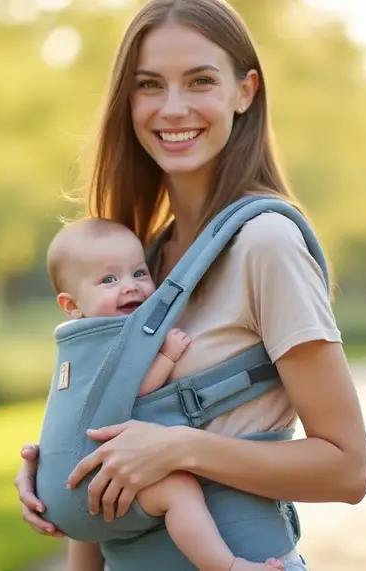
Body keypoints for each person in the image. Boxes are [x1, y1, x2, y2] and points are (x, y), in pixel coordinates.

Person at [15, 0, 366, 569]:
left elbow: (349, 468)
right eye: (149, 84)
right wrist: (61, 470)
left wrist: (179, 448)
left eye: (200, 81)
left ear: (245, 91)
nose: (172, 107)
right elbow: (110, 436)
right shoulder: (142, 266)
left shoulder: (266, 244)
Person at [45, 217, 286, 571]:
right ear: (71, 305)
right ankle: (227, 566)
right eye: (109, 280)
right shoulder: (104, 339)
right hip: (89, 484)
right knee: (180, 490)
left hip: (65, 489)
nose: (130, 287)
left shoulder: (73, 345)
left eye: (139, 273)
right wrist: (168, 358)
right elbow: (128, 392)